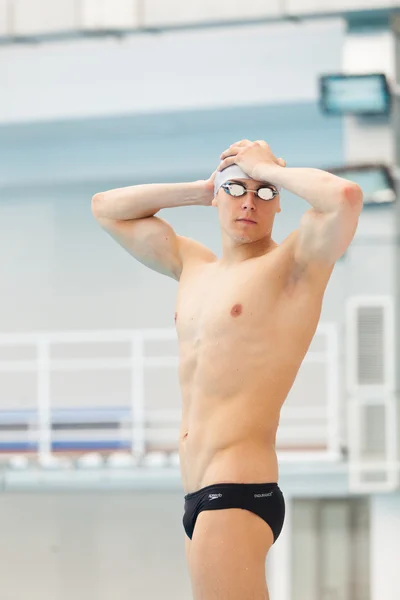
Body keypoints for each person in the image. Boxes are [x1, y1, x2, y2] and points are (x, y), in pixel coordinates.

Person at [91, 139, 363, 599]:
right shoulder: (192, 264)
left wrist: (266, 168)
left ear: (279, 204)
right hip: (198, 491)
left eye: (264, 192)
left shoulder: (292, 266)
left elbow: (344, 198)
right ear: (219, 194)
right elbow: (106, 208)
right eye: (237, 189)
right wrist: (201, 188)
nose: (249, 202)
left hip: (237, 483)